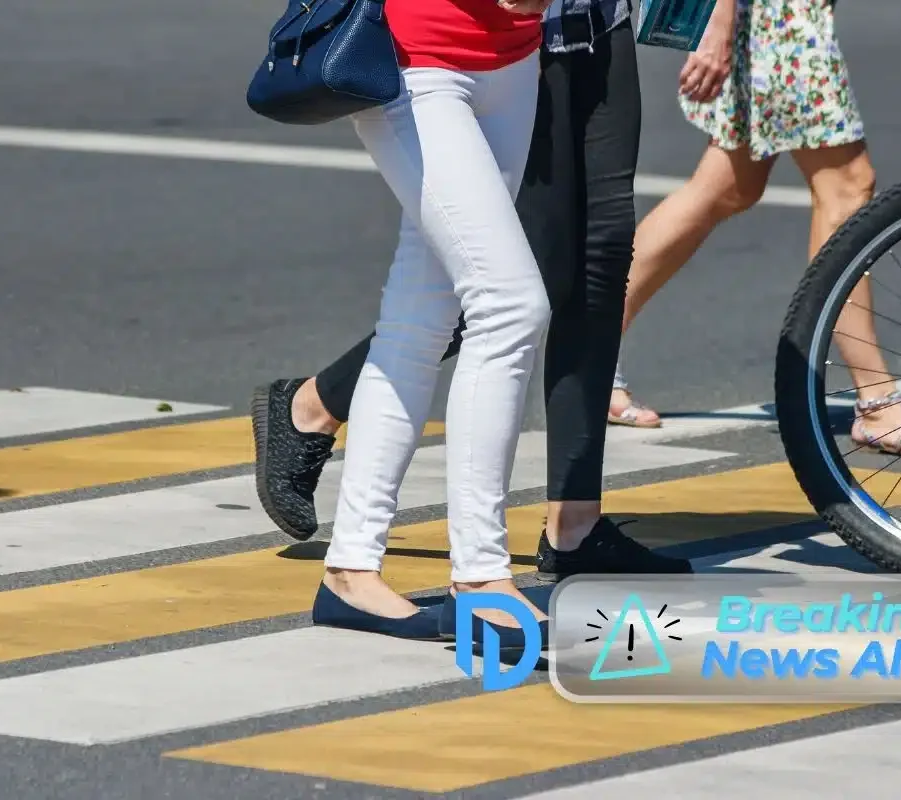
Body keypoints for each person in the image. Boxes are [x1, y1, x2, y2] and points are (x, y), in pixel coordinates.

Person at [252, 0, 691, 642]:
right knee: (510, 305)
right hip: (418, 60)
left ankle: (351, 570)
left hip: (511, 61)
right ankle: (482, 579)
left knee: (419, 313)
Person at [606, 0, 901, 459]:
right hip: (778, 15)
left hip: (774, 16)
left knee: (727, 186)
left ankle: (590, 355)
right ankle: (878, 403)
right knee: (847, 187)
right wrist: (718, 19)